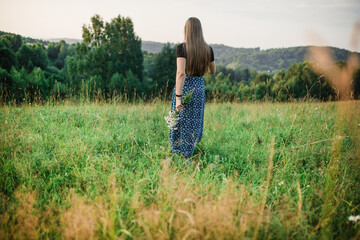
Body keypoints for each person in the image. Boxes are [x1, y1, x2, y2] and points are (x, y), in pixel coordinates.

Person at [169, 17, 216, 160]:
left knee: (179, 120)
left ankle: (180, 154)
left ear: (186, 30)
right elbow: (212, 70)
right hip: (199, 87)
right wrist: (200, 66)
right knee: (193, 121)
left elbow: (181, 73)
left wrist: (178, 97)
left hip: (185, 87)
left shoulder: (182, 48)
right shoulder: (208, 49)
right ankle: (189, 152)